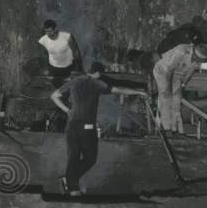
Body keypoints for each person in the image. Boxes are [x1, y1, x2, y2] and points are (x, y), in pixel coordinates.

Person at [50, 62, 148, 196]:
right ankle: (71, 184)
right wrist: (139, 92)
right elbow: (119, 90)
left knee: (73, 156)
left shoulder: (74, 82)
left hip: (71, 125)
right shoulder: (96, 83)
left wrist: (67, 110)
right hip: (87, 126)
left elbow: (54, 96)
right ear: (98, 73)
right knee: (90, 158)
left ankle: (71, 185)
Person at [153, 42, 207, 132]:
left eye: (200, 61)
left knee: (177, 99)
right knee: (166, 98)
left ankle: (175, 128)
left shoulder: (198, 59)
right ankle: (165, 128)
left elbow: (190, 72)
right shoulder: (181, 51)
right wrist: (168, 88)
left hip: (177, 74)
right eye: (197, 60)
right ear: (194, 55)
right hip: (163, 71)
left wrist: (182, 85)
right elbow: (169, 70)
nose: (198, 62)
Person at [37, 19, 83, 84]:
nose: (48, 34)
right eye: (46, 31)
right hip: (54, 69)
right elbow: (44, 55)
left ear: (55, 29)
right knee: (56, 91)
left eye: (50, 31)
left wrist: (77, 69)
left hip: (69, 68)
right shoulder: (43, 40)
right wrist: (46, 69)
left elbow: (76, 53)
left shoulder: (67, 36)